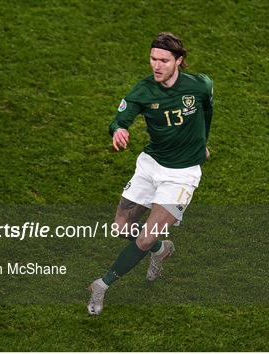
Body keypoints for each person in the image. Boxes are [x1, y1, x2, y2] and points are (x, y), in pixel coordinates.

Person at [88, 32, 213, 316]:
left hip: (181, 176)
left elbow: (207, 112)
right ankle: (160, 249)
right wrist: (119, 129)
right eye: (153, 59)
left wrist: (202, 142)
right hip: (150, 164)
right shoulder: (143, 90)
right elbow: (122, 116)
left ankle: (102, 285)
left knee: (142, 238)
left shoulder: (200, 86)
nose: (156, 66)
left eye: (163, 61)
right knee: (121, 228)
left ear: (179, 61)